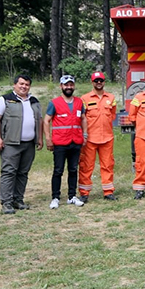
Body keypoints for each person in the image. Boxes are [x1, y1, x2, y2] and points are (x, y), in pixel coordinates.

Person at [0, 74, 43, 214]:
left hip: (29, 144)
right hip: (10, 143)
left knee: (23, 173)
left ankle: (18, 200)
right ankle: (6, 203)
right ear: (15, 85)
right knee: (9, 172)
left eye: (26, 84)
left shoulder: (34, 101)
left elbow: (39, 120)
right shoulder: (5, 99)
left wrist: (40, 139)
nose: (24, 87)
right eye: (21, 84)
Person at [44, 75, 87, 209]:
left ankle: (71, 196)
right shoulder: (54, 102)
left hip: (76, 141)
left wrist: (85, 134)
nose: (69, 87)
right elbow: (46, 120)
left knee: (73, 169)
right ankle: (55, 197)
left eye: (71, 85)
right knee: (58, 170)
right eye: (66, 85)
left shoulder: (79, 102)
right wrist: (48, 138)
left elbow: (84, 119)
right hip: (60, 142)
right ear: (61, 86)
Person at [78, 72, 117, 202]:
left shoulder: (111, 98)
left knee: (107, 165)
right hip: (89, 138)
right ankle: (84, 193)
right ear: (92, 82)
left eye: (101, 80)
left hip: (107, 138)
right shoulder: (84, 98)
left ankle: (108, 192)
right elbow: (81, 118)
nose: (98, 83)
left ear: (104, 82)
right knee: (86, 166)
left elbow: (112, 115)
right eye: (96, 81)